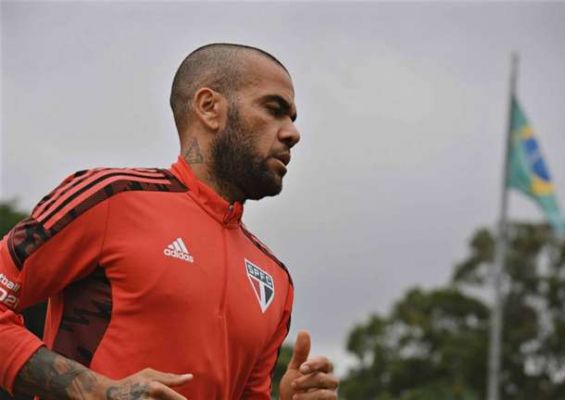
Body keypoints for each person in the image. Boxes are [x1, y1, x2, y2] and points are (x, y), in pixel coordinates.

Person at [0, 43, 338, 399]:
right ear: (209, 108)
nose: (293, 133)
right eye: (274, 110)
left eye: (292, 118)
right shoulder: (110, 197)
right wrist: (100, 391)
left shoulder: (274, 279)